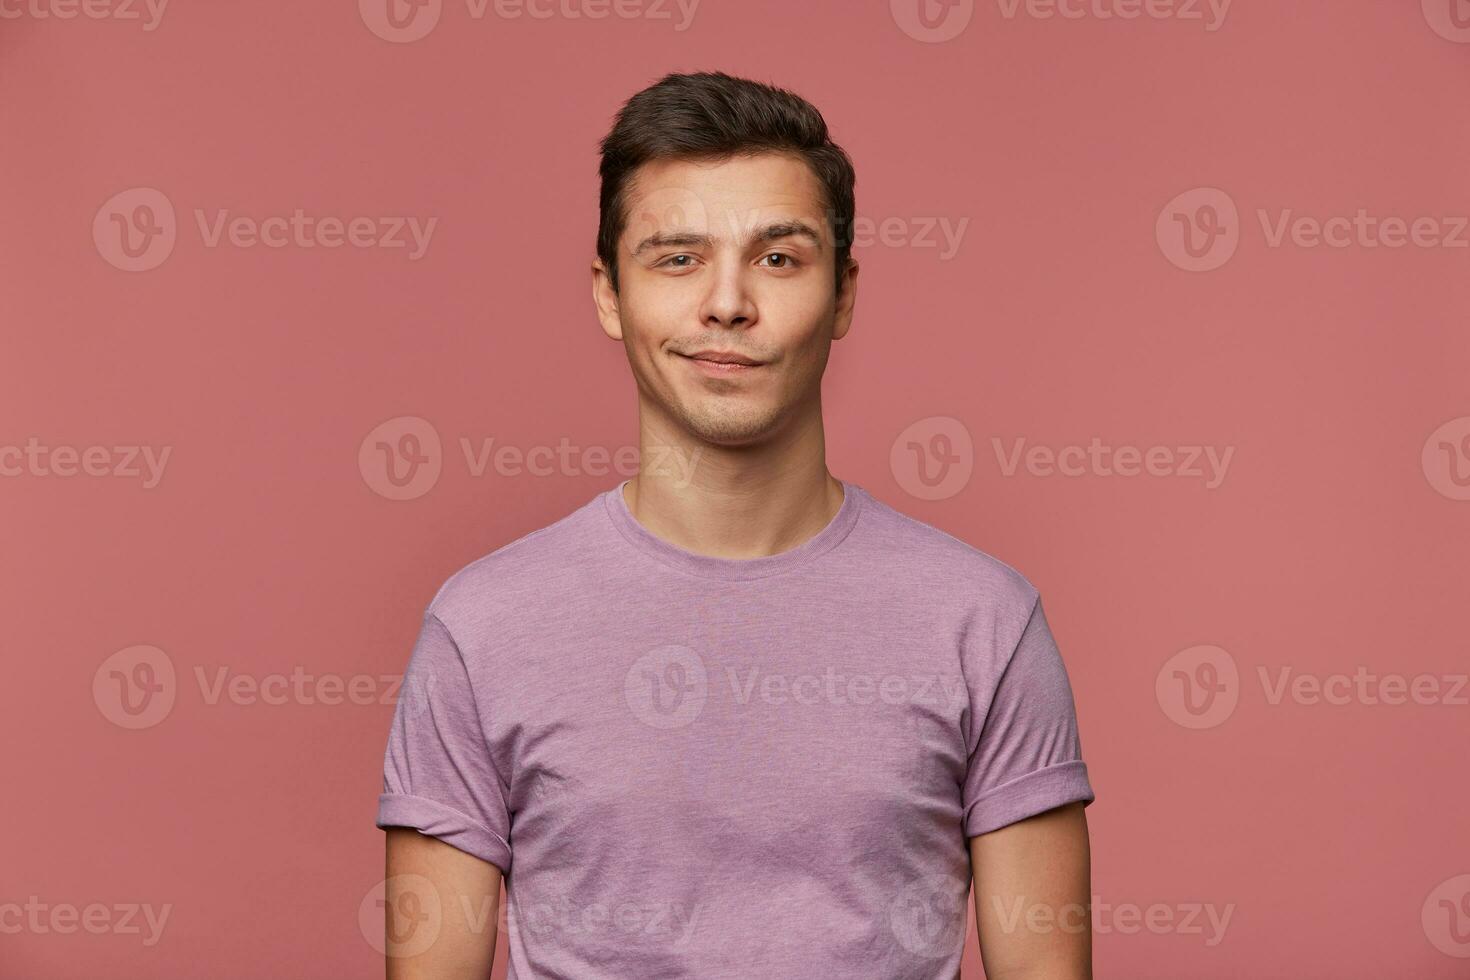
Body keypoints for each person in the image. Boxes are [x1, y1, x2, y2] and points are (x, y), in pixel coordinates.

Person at [377, 69, 1095, 979]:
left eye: (778, 258)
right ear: (609, 294)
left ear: (842, 295)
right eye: (677, 257)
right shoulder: (480, 629)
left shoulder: (985, 622)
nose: (727, 303)